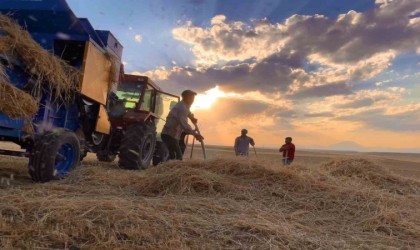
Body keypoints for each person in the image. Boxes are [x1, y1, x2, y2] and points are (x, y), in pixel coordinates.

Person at [161, 90, 203, 160]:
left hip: (172, 135)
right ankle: (169, 168)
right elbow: (185, 125)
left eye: (193, 99)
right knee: (178, 157)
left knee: (174, 156)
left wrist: (191, 117)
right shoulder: (182, 108)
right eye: (192, 98)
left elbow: (188, 112)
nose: (193, 100)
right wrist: (195, 134)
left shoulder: (183, 106)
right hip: (169, 135)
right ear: (186, 98)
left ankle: (168, 167)